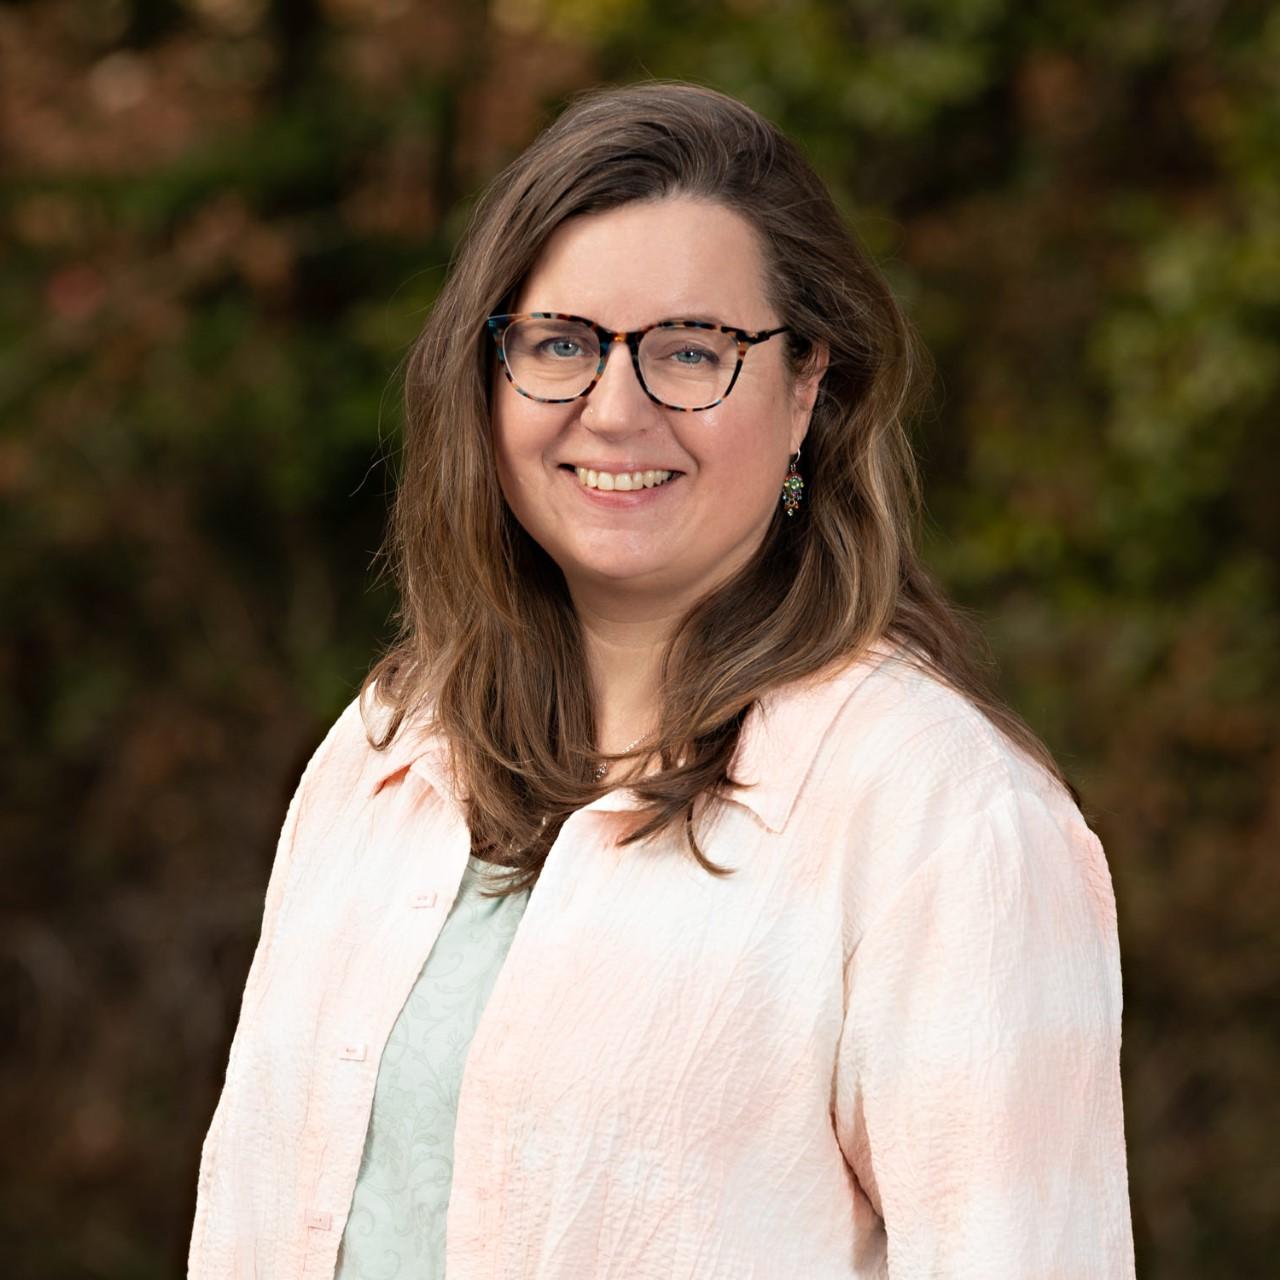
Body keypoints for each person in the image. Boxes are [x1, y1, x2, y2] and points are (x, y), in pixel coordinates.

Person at [188, 81, 1135, 1278]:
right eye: (561, 344)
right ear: (486, 377)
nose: (615, 407)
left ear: (806, 389)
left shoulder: (937, 816)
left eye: (691, 349)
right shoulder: (385, 750)